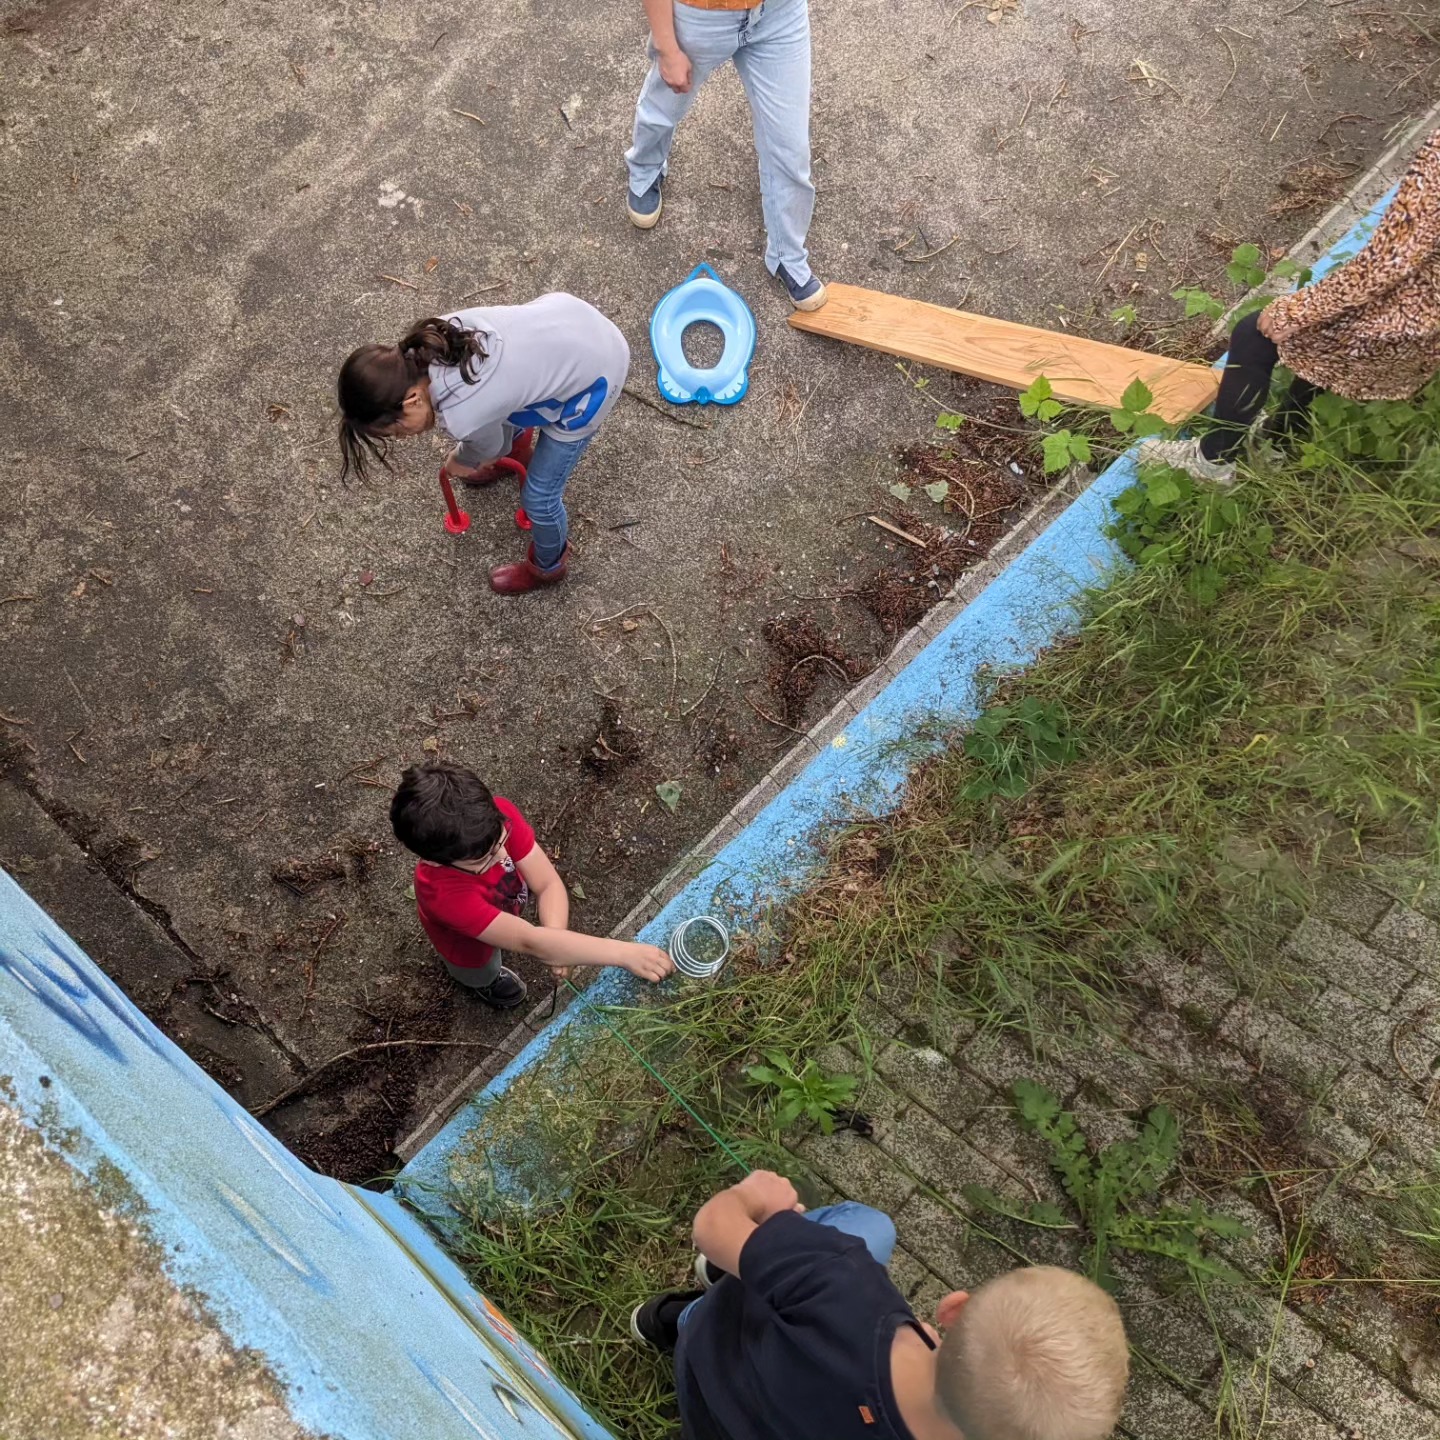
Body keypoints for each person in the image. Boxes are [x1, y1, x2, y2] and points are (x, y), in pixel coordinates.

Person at [631, 1169, 1130, 1440]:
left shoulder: (842, 1285)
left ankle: (678, 1315)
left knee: (870, 1227)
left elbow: (710, 1225)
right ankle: (717, 1282)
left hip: (707, 1359)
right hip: (711, 1424)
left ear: (954, 1309)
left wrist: (751, 1195)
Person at [1142, 125, 1440, 484]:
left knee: (1256, 335)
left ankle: (1212, 463)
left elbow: (1390, 261)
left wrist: (1298, 310)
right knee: (1331, 356)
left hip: (1403, 310)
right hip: (1428, 331)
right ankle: (1276, 441)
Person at [337, 294, 630, 593]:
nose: (405, 437)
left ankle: (547, 567)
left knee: (540, 499)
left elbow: (488, 446)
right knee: (506, 402)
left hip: (597, 376)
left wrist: (464, 459)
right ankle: (518, 451)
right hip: (574, 320)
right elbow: (494, 401)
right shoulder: (440, 337)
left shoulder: (463, 415)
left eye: (397, 431)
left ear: (411, 401)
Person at [389, 761, 674, 1009]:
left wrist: (556, 939)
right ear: (436, 861)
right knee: (480, 969)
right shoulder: (444, 896)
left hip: (505, 911)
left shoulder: (493, 819)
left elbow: (548, 883)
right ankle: (484, 985)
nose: (501, 855)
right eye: (484, 859)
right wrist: (624, 953)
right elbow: (530, 941)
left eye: (501, 841)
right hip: (468, 948)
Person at [625, 0, 827, 313]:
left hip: (780, 14)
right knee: (662, 110)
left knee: (791, 148)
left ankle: (788, 255)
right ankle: (645, 166)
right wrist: (667, 48)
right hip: (699, 16)